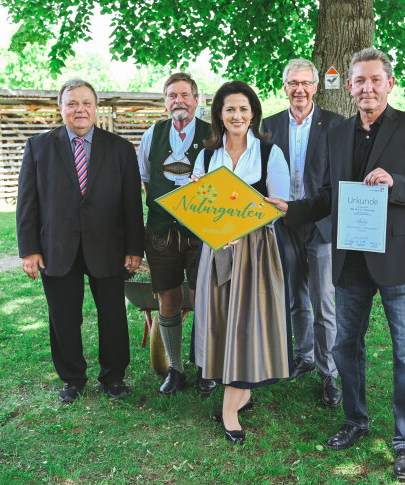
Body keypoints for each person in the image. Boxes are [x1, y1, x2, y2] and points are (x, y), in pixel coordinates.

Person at [267, 48, 405, 479]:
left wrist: (394, 183)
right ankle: (355, 420)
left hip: (398, 259)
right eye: (359, 81)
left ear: (389, 83)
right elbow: (329, 196)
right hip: (349, 258)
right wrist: (288, 208)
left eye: (374, 80)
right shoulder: (338, 133)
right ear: (349, 86)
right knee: (346, 347)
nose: (366, 87)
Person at [16, 79, 144, 403]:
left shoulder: (120, 149)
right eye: (72, 103)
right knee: (63, 316)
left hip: (108, 246)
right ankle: (72, 378)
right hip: (56, 248)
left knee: (113, 315)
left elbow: (132, 203)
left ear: (96, 108)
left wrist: (134, 248)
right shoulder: (38, 147)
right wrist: (29, 249)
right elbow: (27, 202)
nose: (80, 109)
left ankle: (113, 377)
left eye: (86, 103)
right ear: (61, 108)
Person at [191, 81, 291, 445]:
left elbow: (279, 207)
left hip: (255, 252)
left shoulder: (269, 154)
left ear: (253, 114)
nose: (237, 116)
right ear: (219, 113)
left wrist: (242, 224)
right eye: (230, 109)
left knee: (247, 322)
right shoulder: (205, 156)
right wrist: (216, 226)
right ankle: (240, 392)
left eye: (244, 109)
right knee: (220, 320)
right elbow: (199, 207)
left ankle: (230, 408)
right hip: (216, 249)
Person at [261, 58, 344, 407]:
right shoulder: (267, 125)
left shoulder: (335, 125)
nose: (299, 89)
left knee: (323, 301)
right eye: (293, 83)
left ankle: (329, 372)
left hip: (320, 221)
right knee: (295, 295)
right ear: (285, 87)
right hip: (283, 221)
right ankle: (305, 356)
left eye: (306, 83)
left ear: (315, 87)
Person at [137, 72, 217, 397]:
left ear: (197, 100)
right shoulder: (152, 135)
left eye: (185, 95)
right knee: (168, 299)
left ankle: (206, 368)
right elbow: (145, 180)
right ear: (165, 101)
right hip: (160, 233)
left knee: (204, 299)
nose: (179, 101)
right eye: (172, 95)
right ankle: (176, 369)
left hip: (201, 233)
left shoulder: (214, 135)